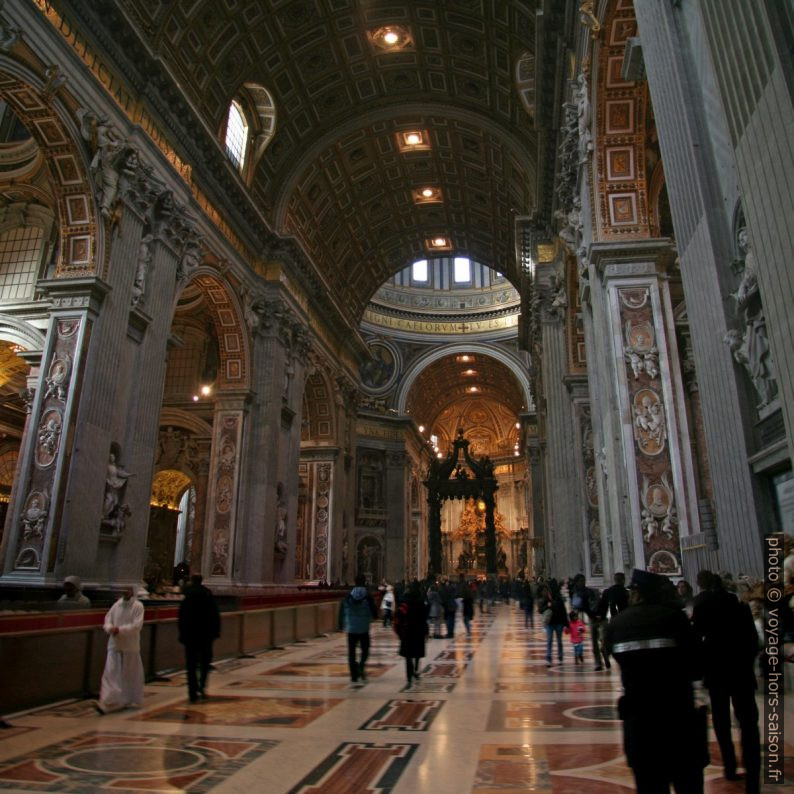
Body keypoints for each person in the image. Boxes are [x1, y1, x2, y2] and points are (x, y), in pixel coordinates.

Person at [606, 569, 707, 793]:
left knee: (649, 784)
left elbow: (613, 654)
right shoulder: (675, 618)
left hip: (640, 719)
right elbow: (696, 665)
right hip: (678, 715)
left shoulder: (618, 624)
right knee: (688, 784)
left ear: (636, 593)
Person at [692, 569, 760, 793]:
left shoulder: (702, 604)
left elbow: (697, 638)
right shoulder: (739, 604)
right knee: (748, 724)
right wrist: (747, 663)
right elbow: (752, 639)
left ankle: (730, 766)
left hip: (716, 671)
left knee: (721, 722)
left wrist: (702, 668)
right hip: (741, 671)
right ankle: (753, 776)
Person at [95, 586, 144, 714]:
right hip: (115, 644)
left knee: (129, 673)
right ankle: (108, 700)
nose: (124, 592)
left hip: (130, 645)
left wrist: (120, 630)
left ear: (132, 591)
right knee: (111, 672)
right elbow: (107, 620)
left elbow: (136, 625)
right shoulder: (116, 605)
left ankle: (127, 698)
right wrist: (110, 628)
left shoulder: (138, 606)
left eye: (127, 589)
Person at [178, 574, 221, 703]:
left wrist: (182, 634)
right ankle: (202, 686)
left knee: (190, 664)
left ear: (191, 581)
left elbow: (182, 617)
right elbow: (215, 616)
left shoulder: (188, 597)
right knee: (205, 663)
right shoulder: (207, 595)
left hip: (190, 636)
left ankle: (192, 691)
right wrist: (215, 632)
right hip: (206, 635)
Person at [338, 574, 377, 684]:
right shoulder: (367, 595)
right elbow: (373, 610)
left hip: (351, 628)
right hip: (363, 628)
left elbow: (342, 609)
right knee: (365, 650)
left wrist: (341, 624)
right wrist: (374, 616)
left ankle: (353, 675)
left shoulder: (348, 595)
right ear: (364, 582)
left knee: (351, 652)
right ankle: (361, 666)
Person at [393, 583, 429, 688]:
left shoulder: (404, 605)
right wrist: (426, 631)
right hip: (419, 631)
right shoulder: (421, 604)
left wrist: (399, 632)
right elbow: (424, 619)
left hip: (407, 632)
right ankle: (416, 670)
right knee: (417, 653)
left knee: (408, 656)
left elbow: (398, 619)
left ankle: (409, 676)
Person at [539, 581, 569, 666]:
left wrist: (567, 624)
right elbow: (540, 610)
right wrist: (547, 606)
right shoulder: (545, 598)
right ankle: (548, 659)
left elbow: (563, 611)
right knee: (549, 641)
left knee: (559, 641)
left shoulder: (558, 598)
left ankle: (560, 657)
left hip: (559, 623)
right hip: (550, 623)